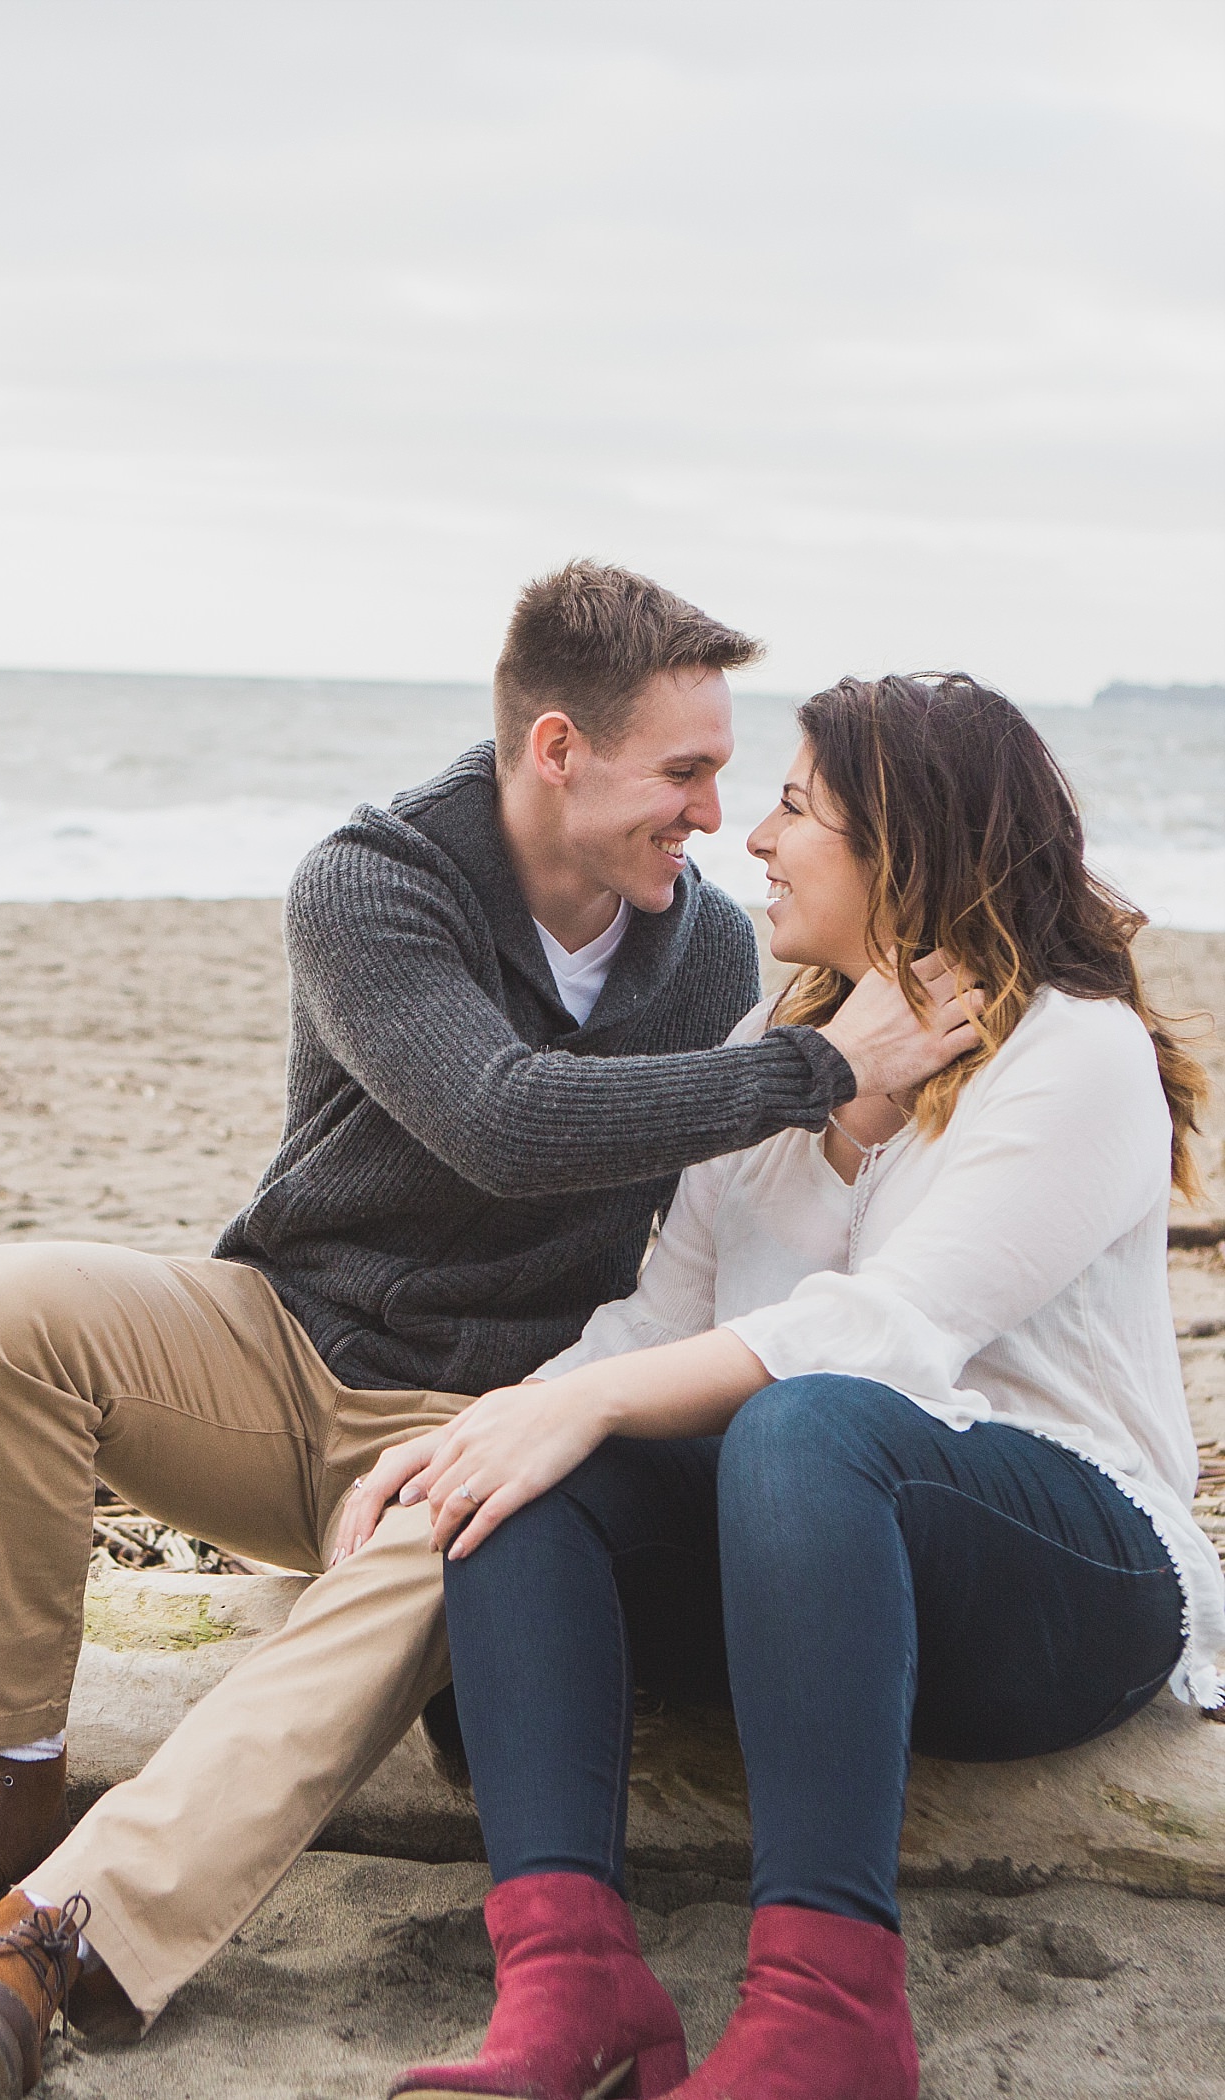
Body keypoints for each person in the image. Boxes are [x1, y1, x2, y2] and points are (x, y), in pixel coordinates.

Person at [0, 568, 979, 2099]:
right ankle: (9, 1778)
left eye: (727, 776)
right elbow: (499, 1120)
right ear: (559, 748)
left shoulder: (701, 950)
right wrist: (806, 1069)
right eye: (687, 773)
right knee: (9, 1305)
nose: (713, 817)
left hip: (492, 1400)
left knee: (460, 1523)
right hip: (275, 1341)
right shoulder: (370, 882)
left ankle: (52, 1937)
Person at [365, 673, 1223, 2100]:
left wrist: (578, 1404)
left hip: (1067, 1583)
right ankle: (573, 1986)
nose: (752, 838)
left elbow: (887, 1333)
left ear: (907, 843)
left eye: (796, 805)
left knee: (806, 1419)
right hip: (808, 1583)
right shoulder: (780, 1070)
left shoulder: (1078, 1053)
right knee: (528, 1479)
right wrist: (505, 1425)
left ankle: (831, 2017)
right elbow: (649, 1328)